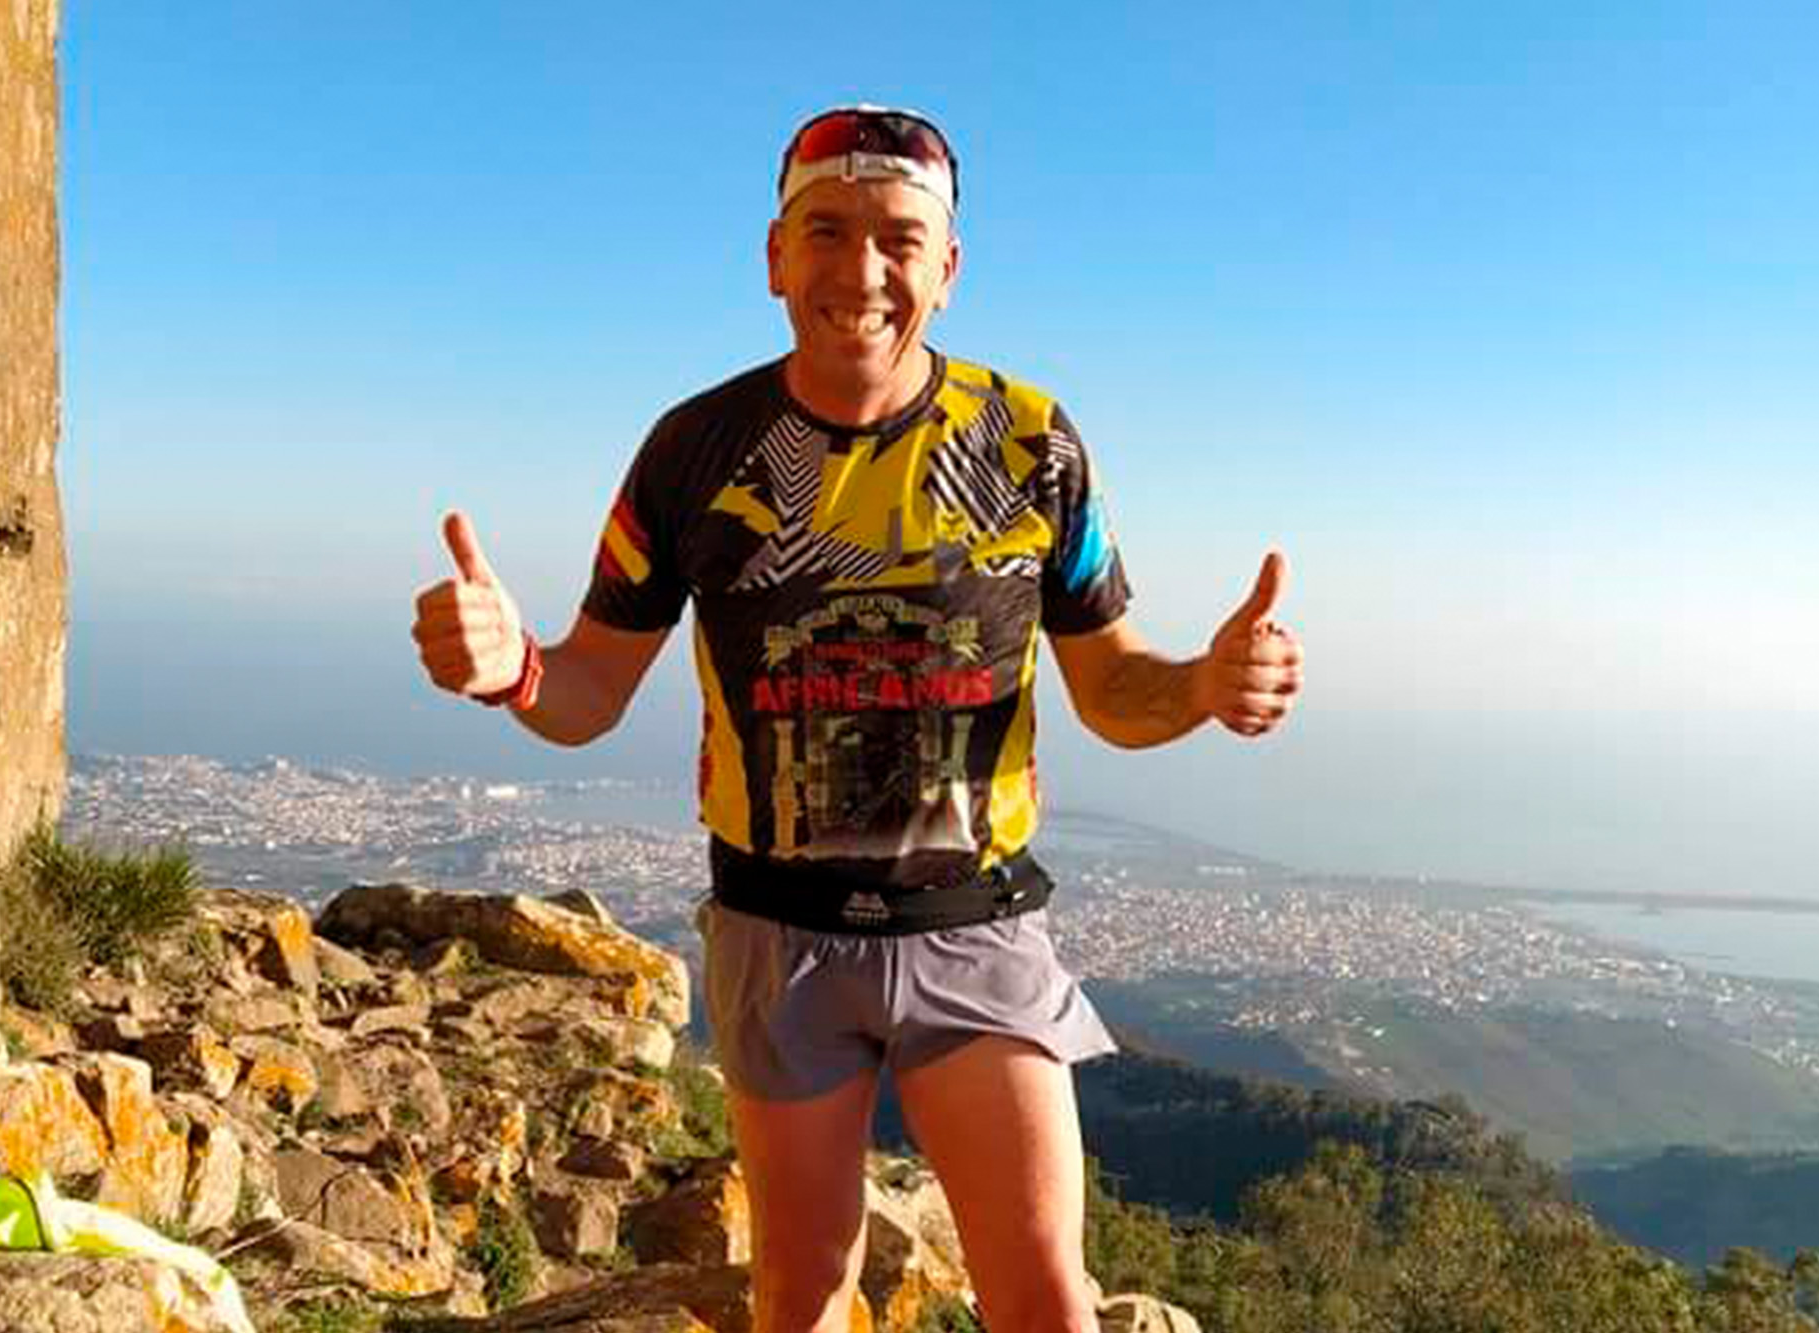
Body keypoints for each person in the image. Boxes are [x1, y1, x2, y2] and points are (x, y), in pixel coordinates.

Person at [412, 105, 1304, 1333]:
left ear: (947, 267)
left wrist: (1202, 686)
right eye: (824, 231)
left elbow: (1112, 688)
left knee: (1047, 1295)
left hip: (974, 927)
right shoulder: (694, 451)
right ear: (773, 255)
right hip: (780, 934)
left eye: (899, 237)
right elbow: (588, 692)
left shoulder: (1030, 441)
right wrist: (510, 668)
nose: (861, 270)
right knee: (801, 1288)